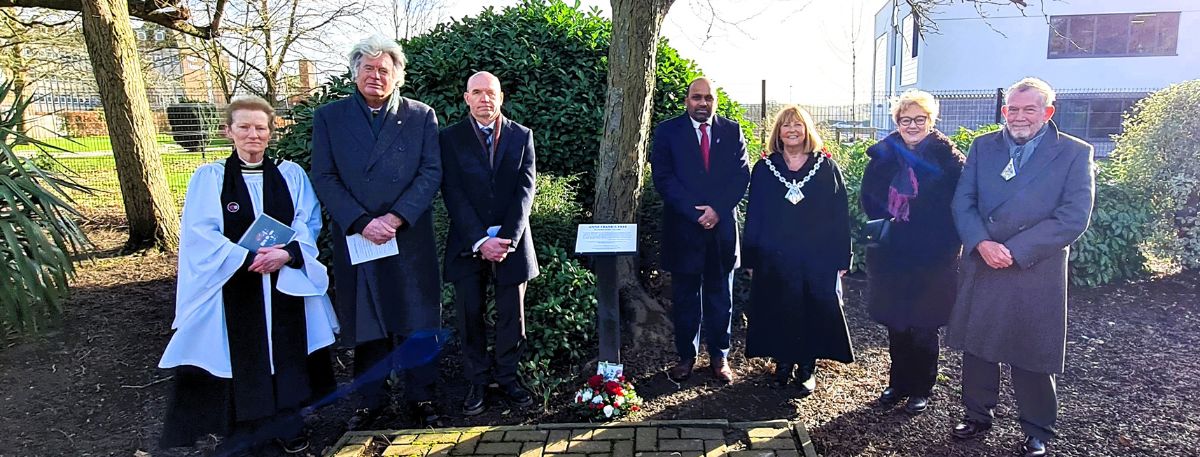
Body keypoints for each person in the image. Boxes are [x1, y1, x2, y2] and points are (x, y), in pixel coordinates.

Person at [159, 95, 338, 456]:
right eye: (244, 127)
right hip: (235, 282)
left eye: (260, 127)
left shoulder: (291, 175)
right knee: (240, 352)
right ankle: (247, 428)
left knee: (288, 350)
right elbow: (200, 232)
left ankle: (289, 425)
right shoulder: (210, 179)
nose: (253, 135)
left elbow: (307, 221)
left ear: (271, 132)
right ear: (229, 131)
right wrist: (245, 257)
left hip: (283, 279)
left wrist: (287, 253)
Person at [948, 77, 1095, 457]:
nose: (1019, 115)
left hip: (1035, 267)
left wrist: (1013, 250)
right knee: (979, 345)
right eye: (1013, 108)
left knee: (1032, 350)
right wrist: (981, 242)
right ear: (1004, 111)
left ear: (1047, 112)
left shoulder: (1075, 153)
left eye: (1029, 108)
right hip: (984, 260)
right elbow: (963, 201)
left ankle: (1037, 428)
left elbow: (1073, 217)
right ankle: (977, 414)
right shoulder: (982, 147)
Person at [309, 35, 444, 429]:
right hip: (359, 236)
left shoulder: (422, 115)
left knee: (415, 320)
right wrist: (363, 221)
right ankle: (371, 402)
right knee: (367, 322)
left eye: (384, 69)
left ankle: (422, 398)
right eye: (367, 68)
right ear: (354, 74)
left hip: (408, 236)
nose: (375, 75)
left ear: (397, 76)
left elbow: (431, 171)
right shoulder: (330, 117)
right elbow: (324, 174)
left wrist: (397, 217)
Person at [439, 71, 539, 415]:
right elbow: (451, 192)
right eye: (477, 92)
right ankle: (477, 381)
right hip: (469, 243)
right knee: (470, 315)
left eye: (490, 93)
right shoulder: (449, 139)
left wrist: (507, 239)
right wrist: (481, 240)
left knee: (513, 316)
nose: (484, 99)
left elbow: (526, 191)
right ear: (466, 98)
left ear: (501, 97)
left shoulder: (522, 136)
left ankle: (509, 378)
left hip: (512, 244)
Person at [860, 89, 964, 414]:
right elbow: (868, 199)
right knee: (897, 324)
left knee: (924, 325)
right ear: (897, 122)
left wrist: (944, 245)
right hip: (893, 253)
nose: (913, 125)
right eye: (906, 120)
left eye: (920, 119)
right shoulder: (883, 158)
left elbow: (958, 207)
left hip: (933, 257)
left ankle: (922, 387)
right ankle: (898, 382)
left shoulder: (950, 162)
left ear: (931, 121)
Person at [742, 105, 854, 396]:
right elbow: (754, 215)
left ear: (807, 130)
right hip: (774, 257)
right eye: (786, 125)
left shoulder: (825, 166)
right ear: (778, 132)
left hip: (817, 257)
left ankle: (806, 368)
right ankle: (782, 364)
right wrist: (751, 257)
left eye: (798, 125)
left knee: (811, 310)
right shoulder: (765, 168)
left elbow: (839, 215)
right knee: (778, 309)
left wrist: (843, 257)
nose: (792, 130)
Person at [650, 77, 750, 384]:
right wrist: (696, 212)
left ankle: (720, 357)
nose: (702, 103)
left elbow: (741, 176)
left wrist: (717, 210)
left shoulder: (731, 131)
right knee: (685, 299)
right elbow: (663, 178)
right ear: (686, 100)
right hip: (684, 229)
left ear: (714, 101)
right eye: (697, 97)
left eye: (708, 98)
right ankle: (686, 357)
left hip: (721, 232)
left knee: (722, 299)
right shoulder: (667, 131)